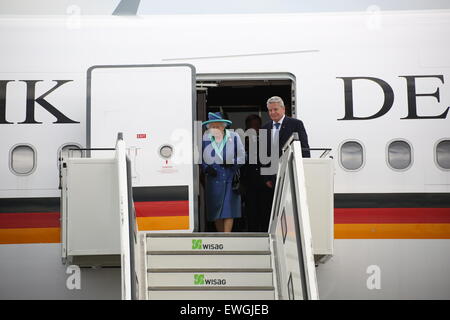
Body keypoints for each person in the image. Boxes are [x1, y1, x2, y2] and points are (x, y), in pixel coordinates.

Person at [259, 96, 311, 230]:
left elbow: (304, 148)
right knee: (274, 206)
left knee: (291, 204)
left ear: (283, 109)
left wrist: (303, 170)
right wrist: (266, 177)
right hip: (273, 175)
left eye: (275, 109)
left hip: (291, 171)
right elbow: (263, 154)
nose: (272, 113)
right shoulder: (265, 127)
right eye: (270, 110)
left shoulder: (296, 124)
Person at [201, 112, 245, 232]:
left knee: (228, 210)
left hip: (230, 179)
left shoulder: (234, 137)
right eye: (212, 127)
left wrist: (233, 162)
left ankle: (227, 236)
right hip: (213, 180)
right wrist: (206, 168)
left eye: (217, 126)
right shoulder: (205, 139)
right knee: (216, 211)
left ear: (224, 126)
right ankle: (221, 237)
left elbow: (243, 157)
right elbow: (200, 159)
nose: (215, 129)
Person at [240, 114, 273, 232]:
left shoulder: (267, 140)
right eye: (251, 126)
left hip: (265, 183)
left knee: (266, 211)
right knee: (251, 212)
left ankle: (266, 234)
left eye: (256, 125)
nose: (254, 128)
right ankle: (252, 235)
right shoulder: (241, 142)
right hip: (249, 183)